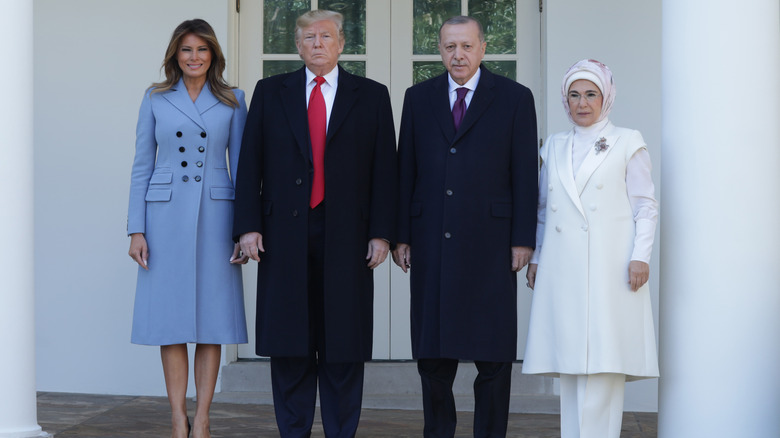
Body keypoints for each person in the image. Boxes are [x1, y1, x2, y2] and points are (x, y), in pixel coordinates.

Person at [232, 10, 397, 438]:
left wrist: (382, 232)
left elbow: (386, 171)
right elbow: (250, 164)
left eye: (326, 36)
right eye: (309, 37)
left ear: (342, 44)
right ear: (298, 45)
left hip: (350, 235)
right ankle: (294, 431)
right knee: (290, 342)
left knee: (343, 341)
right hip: (283, 234)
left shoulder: (372, 95)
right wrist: (248, 226)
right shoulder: (271, 93)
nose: (317, 43)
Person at [392, 16, 538, 438]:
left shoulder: (514, 98)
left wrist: (523, 240)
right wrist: (403, 234)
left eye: (466, 46)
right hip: (430, 239)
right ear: (440, 50)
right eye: (450, 47)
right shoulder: (418, 97)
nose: (458, 54)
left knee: (492, 358)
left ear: (483, 48)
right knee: (434, 357)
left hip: (491, 244)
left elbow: (525, 174)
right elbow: (407, 171)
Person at [522, 59, 659, 438]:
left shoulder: (628, 140)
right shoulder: (554, 144)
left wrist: (640, 256)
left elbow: (646, 206)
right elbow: (543, 209)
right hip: (562, 267)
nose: (582, 103)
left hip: (610, 267)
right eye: (574, 95)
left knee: (604, 363)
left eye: (591, 94)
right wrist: (536, 257)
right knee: (571, 363)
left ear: (606, 97)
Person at [127, 19, 248, 438]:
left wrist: (244, 229)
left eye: (201, 50)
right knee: (172, 320)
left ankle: (203, 418)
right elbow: (142, 165)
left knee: (212, 321)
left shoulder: (233, 99)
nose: (194, 58)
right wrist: (136, 229)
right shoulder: (156, 98)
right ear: (174, 55)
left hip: (218, 217)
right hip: (164, 218)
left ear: (213, 54)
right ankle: (178, 417)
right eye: (186, 50)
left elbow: (246, 170)